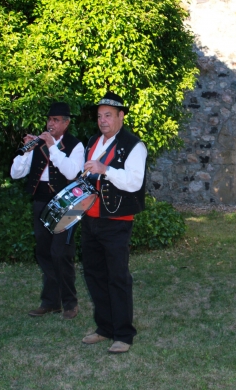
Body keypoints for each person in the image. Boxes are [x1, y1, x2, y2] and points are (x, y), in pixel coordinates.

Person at [81, 91, 147, 354]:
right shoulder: (93, 142)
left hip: (117, 220)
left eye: (108, 115)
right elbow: (85, 173)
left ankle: (123, 334)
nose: (103, 121)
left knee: (117, 277)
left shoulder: (134, 145)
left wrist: (105, 169)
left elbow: (134, 182)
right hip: (90, 218)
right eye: (99, 116)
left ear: (121, 116)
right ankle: (104, 328)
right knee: (94, 274)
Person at [11, 102, 84, 319]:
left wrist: (52, 146)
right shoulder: (38, 144)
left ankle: (70, 303)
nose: (51, 124)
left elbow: (71, 173)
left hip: (67, 204)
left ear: (66, 123)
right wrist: (27, 151)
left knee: (61, 253)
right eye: (49, 120)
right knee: (44, 253)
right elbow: (15, 174)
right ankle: (51, 302)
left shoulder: (76, 145)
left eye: (56, 120)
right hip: (41, 202)